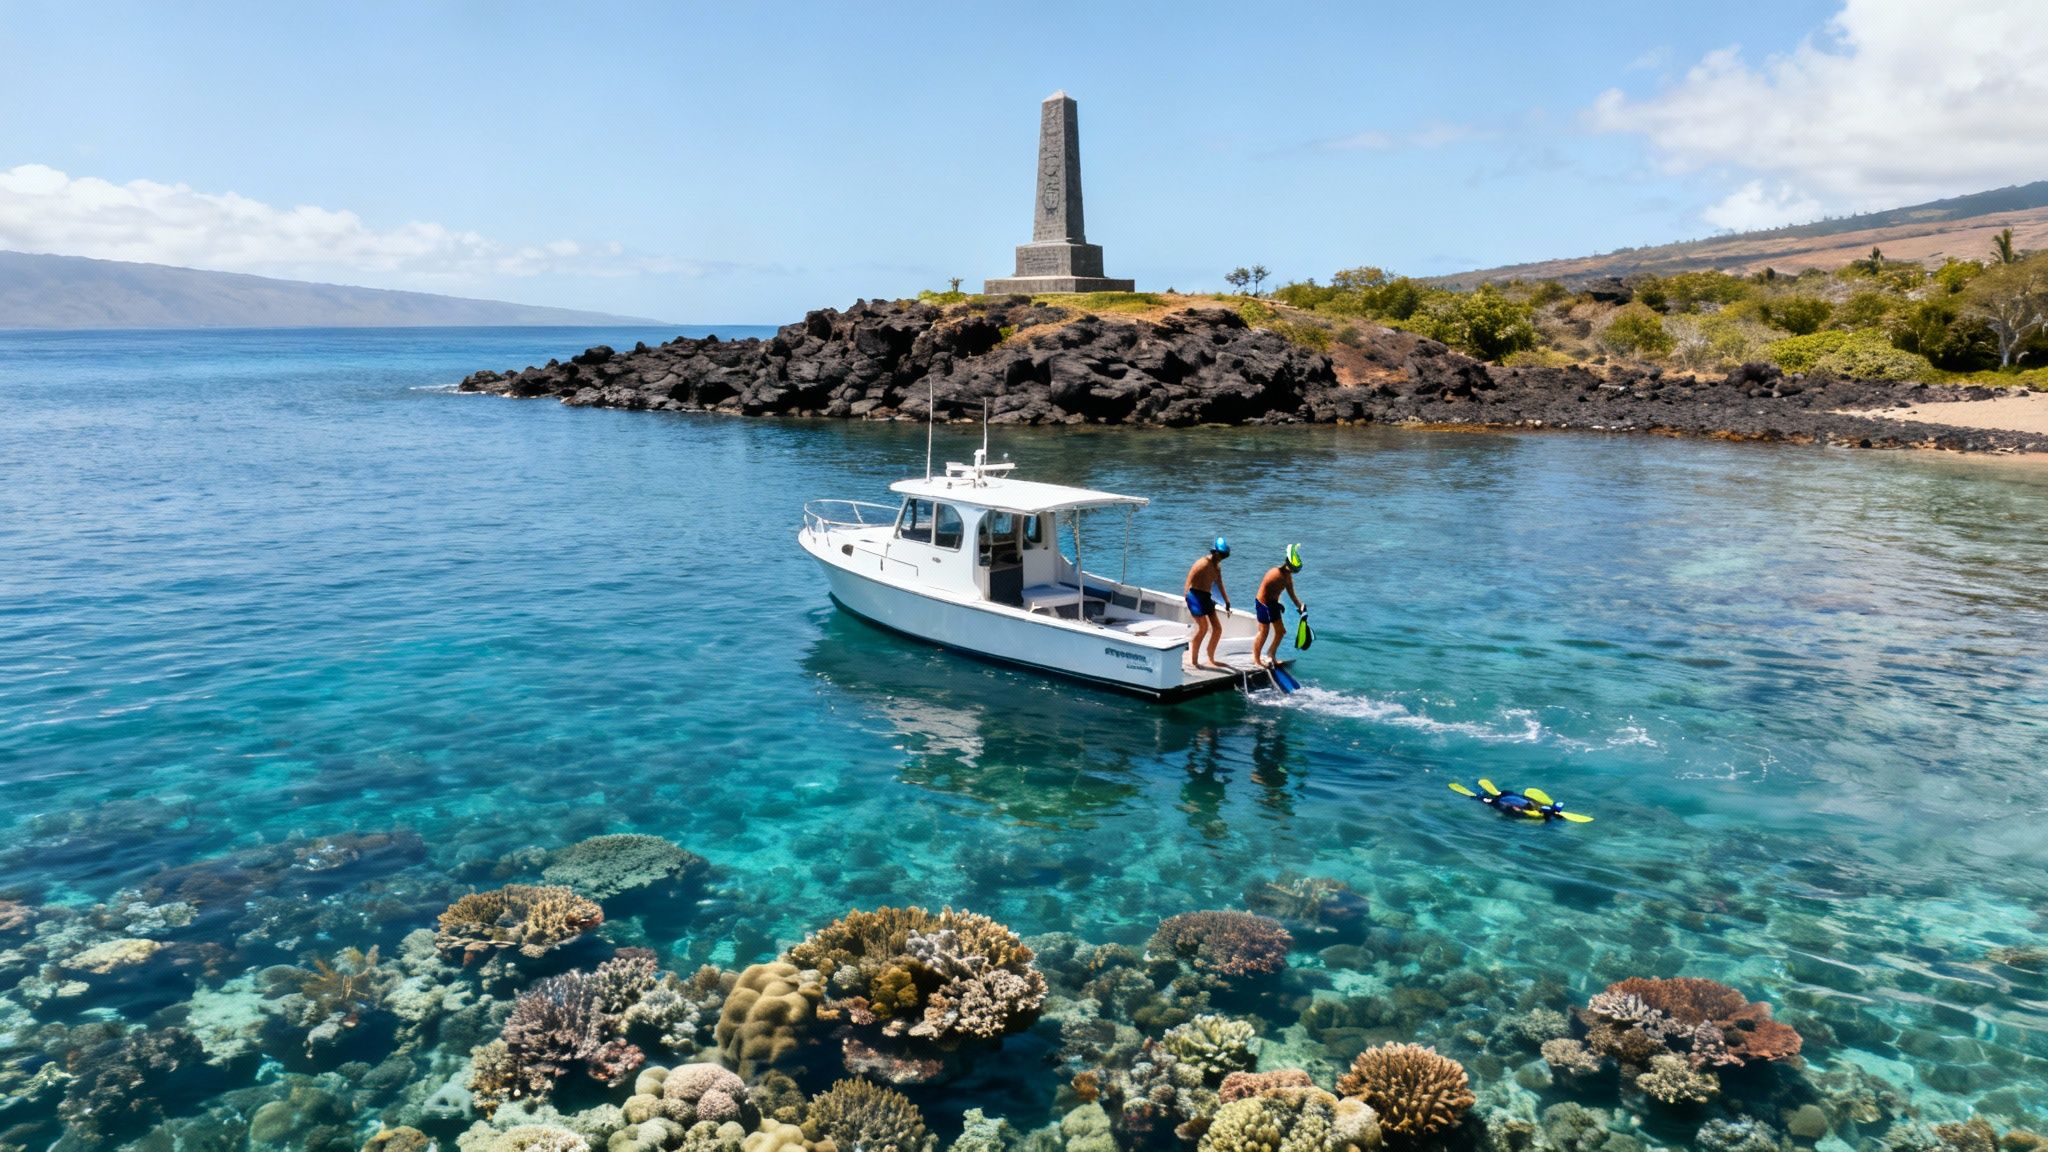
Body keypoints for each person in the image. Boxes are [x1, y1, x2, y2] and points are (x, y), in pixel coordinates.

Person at [1253, 544, 1305, 670]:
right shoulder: (1275, 574)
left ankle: (1271, 654)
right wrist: (1278, 604)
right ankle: (1256, 660)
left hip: (1273, 603)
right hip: (1263, 604)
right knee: (1263, 632)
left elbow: (1291, 595)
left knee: (1281, 632)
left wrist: (1300, 606)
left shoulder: (1287, 577)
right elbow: (1267, 593)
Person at [1183, 536, 1232, 671]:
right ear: (1214, 552)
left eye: (1223, 556)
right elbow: (1189, 578)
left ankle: (1211, 659)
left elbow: (1219, 584)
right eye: (1220, 555)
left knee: (1217, 629)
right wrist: (1185, 595)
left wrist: (1226, 601)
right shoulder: (1202, 563)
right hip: (1194, 596)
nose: (1221, 558)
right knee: (1203, 628)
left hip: (1206, 597)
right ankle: (1193, 661)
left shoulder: (1217, 567)